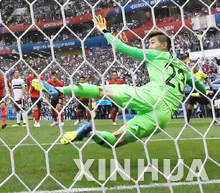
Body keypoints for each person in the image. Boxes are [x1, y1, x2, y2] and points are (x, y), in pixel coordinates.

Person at [34, 15, 206, 148]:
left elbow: (122, 47)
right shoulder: (184, 68)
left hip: (152, 95)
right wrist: (205, 93)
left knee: (102, 90)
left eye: (152, 42)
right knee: (115, 141)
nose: (149, 46)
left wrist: (104, 30)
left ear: (164, 46)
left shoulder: (157, 54)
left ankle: (60, 91)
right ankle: (88, 132)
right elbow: (199, 86)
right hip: (163, 116)